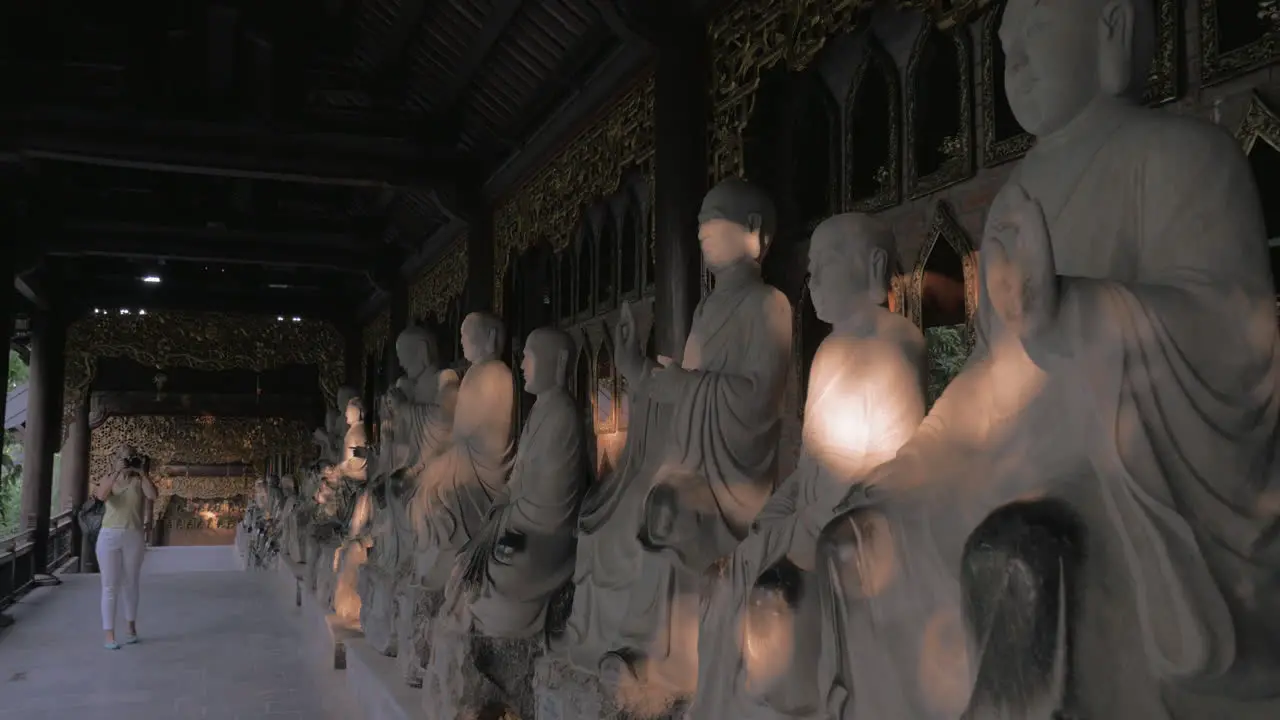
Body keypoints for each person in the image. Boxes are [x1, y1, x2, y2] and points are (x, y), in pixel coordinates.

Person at [93, 444, 157, 650]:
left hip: (133, 535)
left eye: (130, 457)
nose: (127, 460)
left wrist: (141, 472)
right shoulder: (107, 479)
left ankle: (131, 627)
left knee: (131, 583)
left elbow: (153, 495)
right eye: (123, 457)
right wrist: (116, 473)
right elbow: (101, 496)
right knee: (110, 585)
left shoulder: (139, 481)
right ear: (115, 459)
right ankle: (109, 634)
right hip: (109, 536)